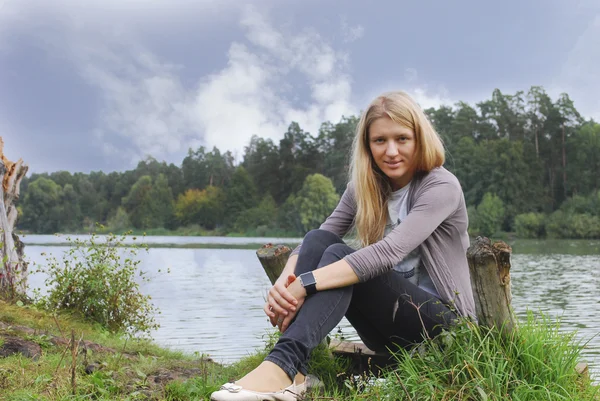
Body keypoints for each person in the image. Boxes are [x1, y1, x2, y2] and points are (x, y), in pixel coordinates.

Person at [211, 91, 476, 401]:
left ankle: (281, 368)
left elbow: (387, 253)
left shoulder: (440, 185)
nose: (391, 151)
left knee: (338, 256)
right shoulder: (364, 187)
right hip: (386, 329)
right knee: (320, 240)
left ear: (419, 138)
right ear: (367, 145)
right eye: (380, 141)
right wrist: (285, 283)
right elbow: (320, 236)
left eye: (402, 138)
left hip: (446, 330)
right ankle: (292, 375)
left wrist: (303, 286)